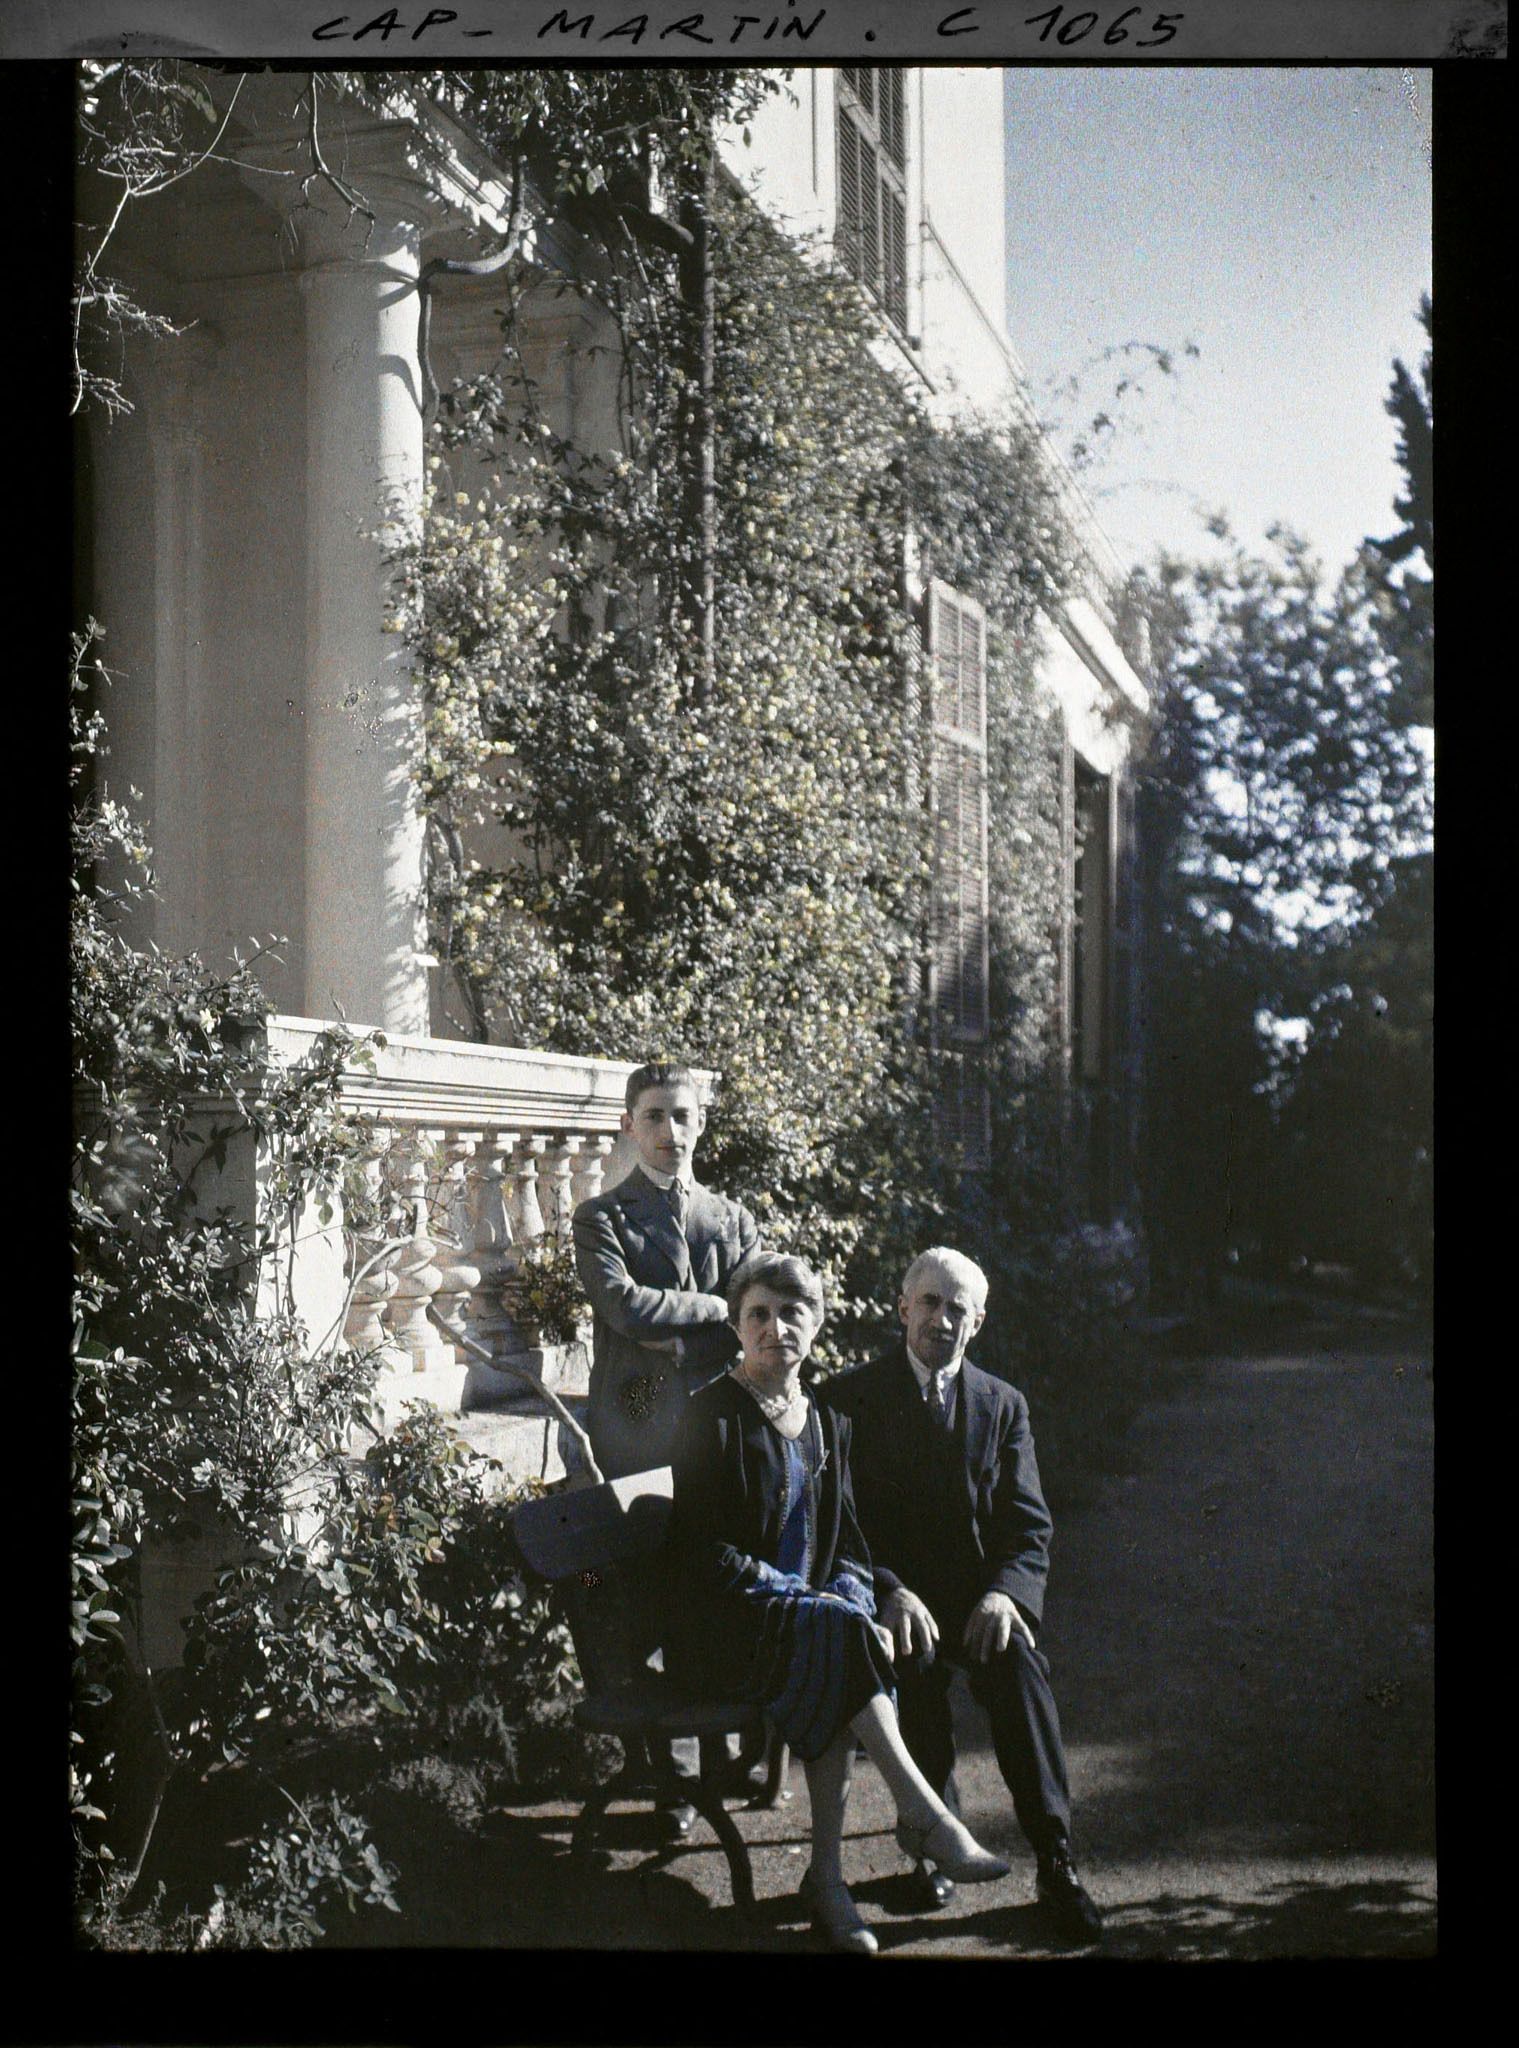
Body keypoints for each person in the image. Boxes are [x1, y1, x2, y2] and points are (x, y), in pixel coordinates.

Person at [665, 1250, 1010, 1955]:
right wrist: (808, 1602)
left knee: (839, 1634)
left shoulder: (825, 1418)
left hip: (809, 1634)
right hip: (724, 1638)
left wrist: (849, 1599)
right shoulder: (709, 1417)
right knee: (836, 1634)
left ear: (816, 1325)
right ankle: (918, 1821)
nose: (776, 1328)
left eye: (792, 1314)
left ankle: (830, 1878)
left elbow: (849, 1542)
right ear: (736, 1326)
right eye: (759, 1314)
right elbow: (699, 1553)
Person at [827, 1247, 1104, 1946]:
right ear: (902, 1308)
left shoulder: (1001, 1405)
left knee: (1020, 1670)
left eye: (958, 1309)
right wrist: (888, 1591)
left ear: (976, 1323)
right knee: (912, 1670)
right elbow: (838, 1522)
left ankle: (1056, 1859)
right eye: (929, 1302)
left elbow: (1028, 1525)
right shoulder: (847, 1400)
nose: (941, 1320)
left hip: (977, 1600)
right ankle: (932, 1846)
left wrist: (1007, 1596)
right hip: (894, 1599)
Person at [572, 1060, 762, 1835]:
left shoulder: (732, 1220)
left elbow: (756, 1317)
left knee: (716, 1578)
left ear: (700, 1124)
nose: (669, 1131)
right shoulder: (601, 1218)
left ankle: (730, 1754)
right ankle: (672, 1780)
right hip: (638, 1428)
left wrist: (688, 1329)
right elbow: (622, 1306)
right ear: (629, 1125)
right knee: (646, 1584)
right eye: (653, 1116)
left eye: (682, 1116)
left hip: (716, 1428)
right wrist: (714, 1309)